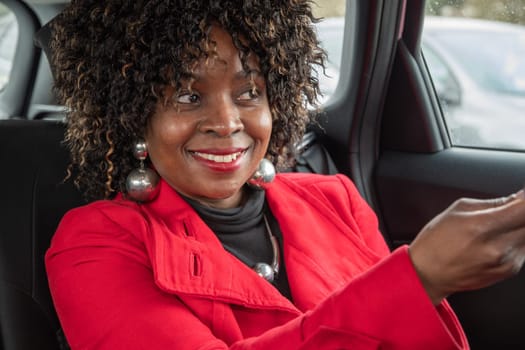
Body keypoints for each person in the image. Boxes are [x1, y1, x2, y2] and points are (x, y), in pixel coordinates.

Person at [45, 1, 525, 349]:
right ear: (134, 117)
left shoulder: (335, 199)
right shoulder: (95, 244)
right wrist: (416, 281)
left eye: (249, 92)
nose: (228, 122)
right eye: (188, 97)